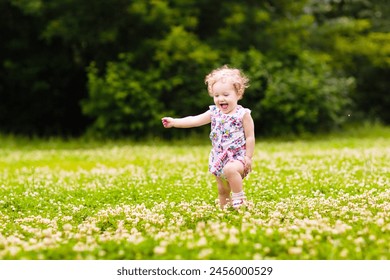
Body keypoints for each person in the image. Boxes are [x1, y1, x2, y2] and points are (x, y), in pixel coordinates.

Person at [162, 65, 255, 209]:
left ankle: (239, 200)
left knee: (230, 170)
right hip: (219, 157)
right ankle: (225, 211)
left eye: (226, 94)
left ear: (238, 94)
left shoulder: (243, 114)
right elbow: (194, 120)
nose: (220, 99)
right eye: (216, 96)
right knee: (222, 190)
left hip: (238, 157)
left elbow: (250, 137)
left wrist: (248, 157)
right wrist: (174, 122)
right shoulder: (214, 113)